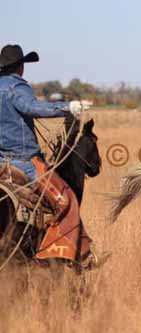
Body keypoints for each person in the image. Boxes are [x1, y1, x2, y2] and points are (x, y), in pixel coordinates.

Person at [0, 44, 93, 267]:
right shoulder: (16, 87)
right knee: (67, 200)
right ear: (20, 67)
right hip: (26, 163)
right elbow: (33, 108)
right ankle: (56, 254)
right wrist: (68, 107)